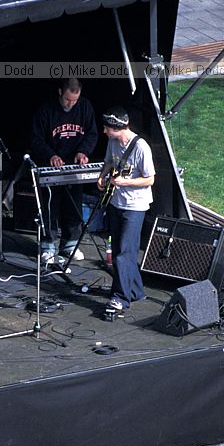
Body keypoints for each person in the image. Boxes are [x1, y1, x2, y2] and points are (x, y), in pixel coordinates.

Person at [30, 77, 98, 264]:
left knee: (73, 204)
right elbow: (36, 139)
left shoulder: (85, 107)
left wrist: (83, 152)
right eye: (68, 99)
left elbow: (92, 133)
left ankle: (70, 244)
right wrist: (50, 155)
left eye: (74, 100)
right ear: (60, 92)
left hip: (73, 165)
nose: (70, 104)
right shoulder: (46, 110)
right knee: (50, 206)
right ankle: (48, 246)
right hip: (51, 164)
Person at [96, 107, 155, 314]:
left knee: (124, 253)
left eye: (107, 128)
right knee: (119, 250)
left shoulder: (141, 147)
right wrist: (102, 176)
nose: (104, 131)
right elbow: (109, 161)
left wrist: (126, 182)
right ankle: (136, 291)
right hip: (116, 202)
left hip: (135, 207)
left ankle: (120, 297)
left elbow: (150, 179)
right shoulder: (113, 142)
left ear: (116, 128)